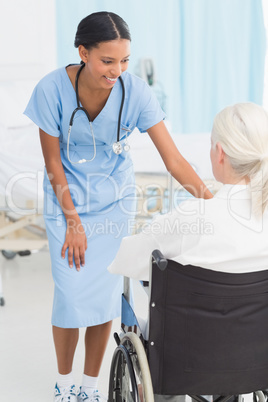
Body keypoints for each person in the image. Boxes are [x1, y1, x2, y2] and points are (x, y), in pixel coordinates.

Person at [24, 11, 212, 402]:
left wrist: (213, 202)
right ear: (83, 53)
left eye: (124, 60)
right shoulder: (51, 90)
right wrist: (72, 220)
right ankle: (64, 384)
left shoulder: (136, 92)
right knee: (71, 294)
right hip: (67, 200)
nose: (117, 70)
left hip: (113, 201)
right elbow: (53, 163)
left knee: (103, 296)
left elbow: (174, 160)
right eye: (107, 61)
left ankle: (89, 387)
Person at [108, 102, 268, 400]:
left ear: (219, 153)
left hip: (185, 363)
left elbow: (126, 260)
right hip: (258, 359)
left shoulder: (191, 219)